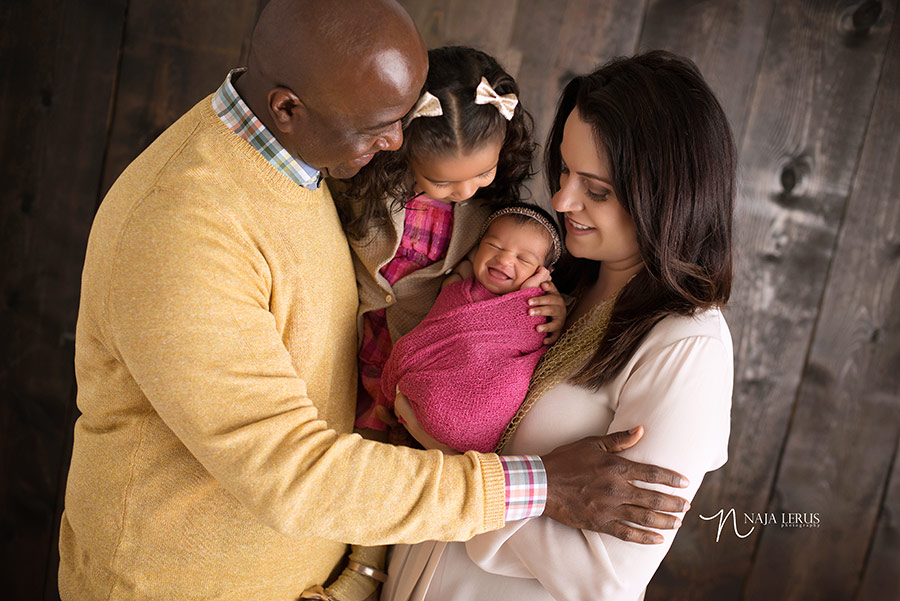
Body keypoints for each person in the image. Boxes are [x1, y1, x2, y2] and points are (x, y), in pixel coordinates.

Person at [58, 0, 691, 598]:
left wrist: (357, 570)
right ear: (287, 106)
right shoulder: (185, 228)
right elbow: (290, 472)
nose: (398, 146)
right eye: (381, 126)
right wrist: (538, 486)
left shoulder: (306, 168)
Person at [383, 50, 737, 601]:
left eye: (596, 191)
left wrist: (481, 472)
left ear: (666, 197)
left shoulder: (686, 347)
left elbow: (609, 577)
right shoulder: (550, 286)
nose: (561, 199)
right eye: (565, 172)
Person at [334, 45, 566, 435]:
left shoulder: (495, 220)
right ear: (403, 150)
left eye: (483, 172)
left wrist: (550, 306)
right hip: (356, 340)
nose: (464, 190)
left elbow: (521, 278)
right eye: (442, 181)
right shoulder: (374, 189)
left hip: (428, 362)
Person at [382, 203, 563, 454]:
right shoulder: (460, 285)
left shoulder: (536, 308)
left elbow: (541, 339)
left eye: (523, 258)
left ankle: (411, 422)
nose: (505, 259)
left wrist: (535, 296)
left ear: (544, 273)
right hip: (429, 386)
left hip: (479, 407)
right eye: (494, 246)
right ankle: (402, 423)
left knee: (508, 382)